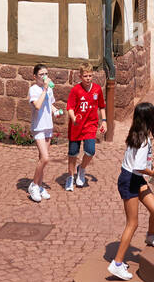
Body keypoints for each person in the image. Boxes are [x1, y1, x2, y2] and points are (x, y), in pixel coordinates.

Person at [108, 102, 154, 281]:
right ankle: (117, 264)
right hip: (129, 181)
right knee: (132, 224)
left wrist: (153, 171)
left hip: (136, 179)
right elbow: (139, 167)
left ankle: (150, 236)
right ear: (150, 118)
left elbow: (141, 165)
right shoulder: (142, 140)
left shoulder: (139, 135)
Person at [64, 62, 107, 191]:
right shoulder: (75, 90)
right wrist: (73, 118)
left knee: (90, 151)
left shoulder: (97, 89)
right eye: (86, 76)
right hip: (76, 126)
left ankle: (81, 169)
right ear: (80, 76)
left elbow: (101, 106)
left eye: (90, 75)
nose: (88, 78)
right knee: (73, 153)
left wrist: (104, 121)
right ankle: (70, 177)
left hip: (90, 125)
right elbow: (70, 107)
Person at [27, 63, 62, 202]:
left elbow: (49, 104)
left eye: (46, 74)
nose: (44, 77)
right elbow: (37, 105)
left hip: (48, 126)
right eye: (41, 74)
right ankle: (34, 185)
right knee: (45, 158)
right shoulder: (34, 89)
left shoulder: (48, 90)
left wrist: (55, 111)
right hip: (38, 127)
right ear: (35, 76)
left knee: (43, 158)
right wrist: (44, 89)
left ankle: (40, 186)